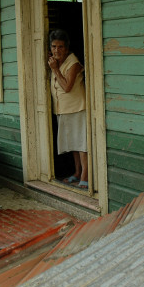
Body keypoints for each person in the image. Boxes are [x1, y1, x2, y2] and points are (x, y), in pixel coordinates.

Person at [47, 29, 88, 190]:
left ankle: (85, 176)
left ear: (67, 47)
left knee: (82, 144)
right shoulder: (57, 61)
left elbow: (67, 87)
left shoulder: (73, 63)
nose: (57, 50)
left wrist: (55, 69)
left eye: (61, 47)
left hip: (77, 108)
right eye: (54, 46)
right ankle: (77, 173)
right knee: (73, 143)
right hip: (63, 109)